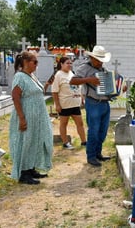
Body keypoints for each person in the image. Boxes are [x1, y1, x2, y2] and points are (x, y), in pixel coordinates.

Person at [9, 51, 53, 184]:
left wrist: (47, 85)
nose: (37, 64)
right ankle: (23, 173)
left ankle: (31, 168)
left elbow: (36, 93)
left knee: (36, 140)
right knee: (26, 142)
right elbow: (15, 97)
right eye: (35, 62)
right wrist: (22, 118)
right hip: (26, 115)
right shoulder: (20, 77)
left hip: (37, 116)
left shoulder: (31, 76)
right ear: (26, 63)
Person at [70, 45, 115, 167]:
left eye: (102, 60)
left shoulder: (103, 70)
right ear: (92, 57)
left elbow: (109, 87)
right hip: (93, 102)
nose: (101, 62)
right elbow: (73, 81)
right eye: (98, 60)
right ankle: (91, 156)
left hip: (105, 103)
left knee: (103, 131)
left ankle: (98, 153)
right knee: (93, 131)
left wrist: (118, 88)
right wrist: (89, 79)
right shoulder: (84, 68)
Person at [51, 56, 87, 149]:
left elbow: (78, 87)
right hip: (64, 105)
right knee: (64, 124)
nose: (69, 65)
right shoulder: (58, 75)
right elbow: (54, 91)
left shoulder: (72, 73)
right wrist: (57, 105)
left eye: (71, 63)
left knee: (80, 123)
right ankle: (65, 142)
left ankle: (84, 141)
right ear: (61, 64)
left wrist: (81, 97)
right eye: (67, 63)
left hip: (75, 104)